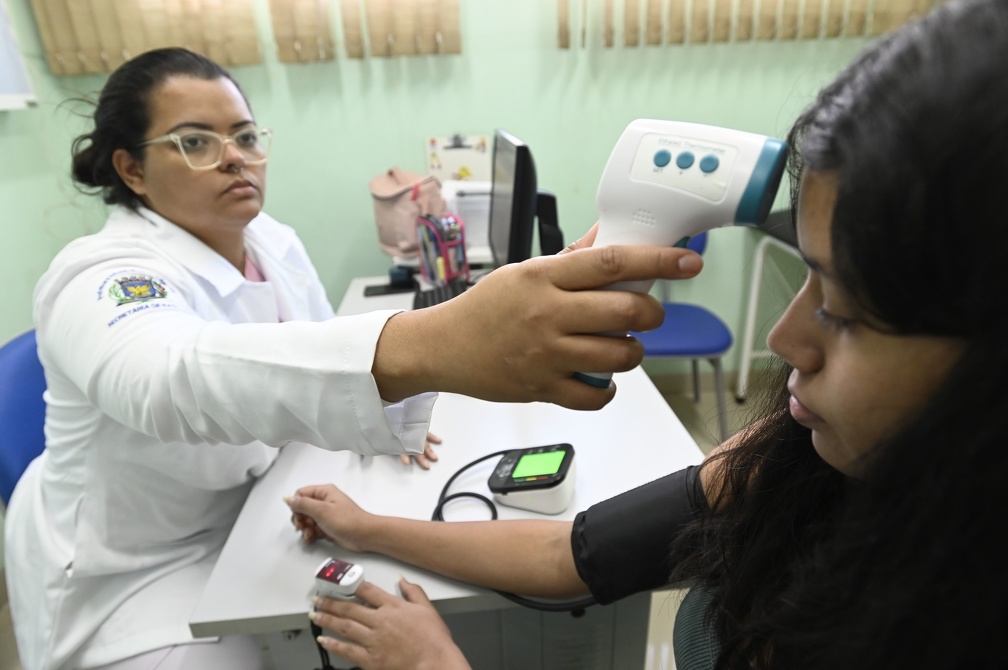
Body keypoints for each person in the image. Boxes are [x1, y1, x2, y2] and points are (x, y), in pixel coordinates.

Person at [285, 1, 1008, 668]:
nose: (784, 339)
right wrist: (371, 528)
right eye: (807, 279)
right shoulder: (798, 461)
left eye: (844, 314)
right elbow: (573, 555)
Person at [2, 48, 706, 670]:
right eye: (195, 142)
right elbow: (167, 376)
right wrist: (432, 345)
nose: (234, 157)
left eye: (245, 136)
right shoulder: (100, 273)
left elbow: (306, 348)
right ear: (132, 168)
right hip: (132, 571)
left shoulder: (267, 238)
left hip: (255, 511)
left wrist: (380, 406)